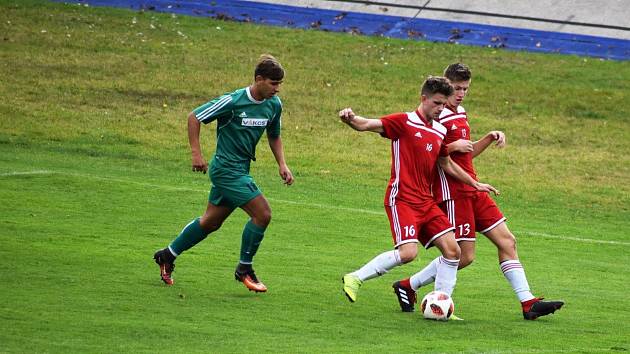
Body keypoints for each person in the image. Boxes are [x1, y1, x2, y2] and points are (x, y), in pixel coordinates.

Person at [392, 63, 563, 320]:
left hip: (474, 188)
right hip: (453, 193)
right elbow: (434, 156)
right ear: (446, 85)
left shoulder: (460, 113)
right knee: (463, 256)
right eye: (457, 88)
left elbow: (466, 152)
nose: (460, 94)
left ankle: (528, 302)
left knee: (507, 240)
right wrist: (451, 148)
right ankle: (409, 285)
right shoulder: (436, 119)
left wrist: (488, 138)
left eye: (465, 89)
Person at [339, 76, 499, 306]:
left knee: (454, 252)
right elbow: (366, 125)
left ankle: (441, 303)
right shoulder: (403, 122)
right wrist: (350, 118)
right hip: (402, 199)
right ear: (423, 98)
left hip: (426, 202)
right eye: (436, 103)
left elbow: (446, 163)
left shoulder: (439, 130)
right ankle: (355, 277)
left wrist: (475, 184)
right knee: (408, 253)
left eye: (443, 104)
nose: (440, 108)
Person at [153, 54, 294, 293]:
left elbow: (274, 135)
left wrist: (282, 163)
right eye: (273, 83)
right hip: (226, 170)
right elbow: (194, 117)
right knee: (263, 214)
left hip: (241, 169)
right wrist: (196, 154)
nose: (277, 89)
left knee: (210, 222)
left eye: (280, 84)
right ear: (258, 79)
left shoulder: (274, 105)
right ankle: (244, 269)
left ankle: (167, 255)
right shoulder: (233, 101)